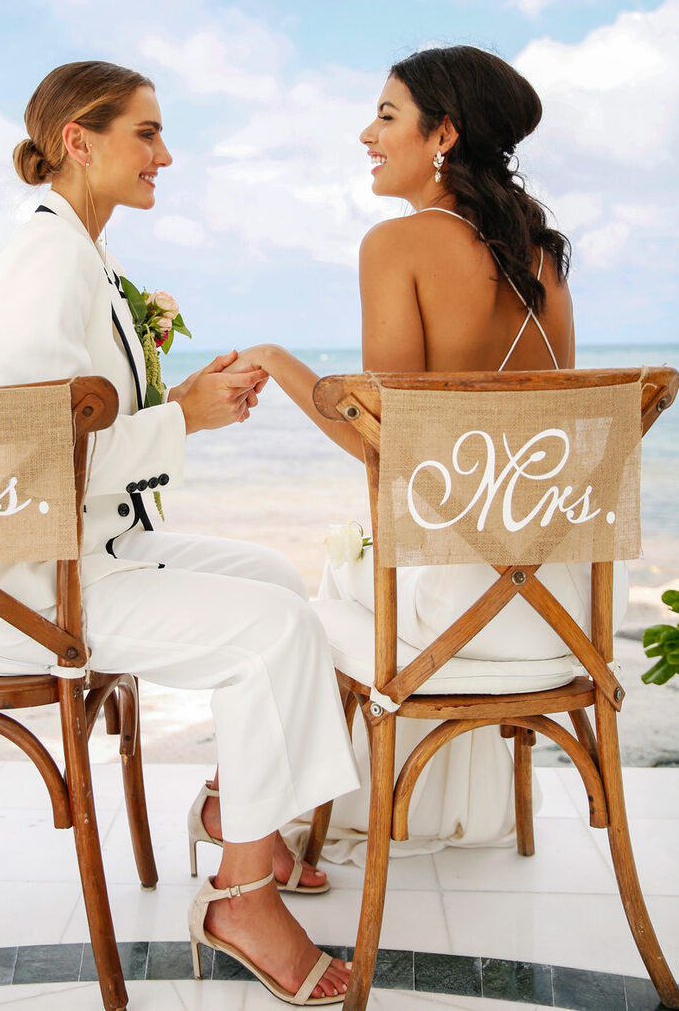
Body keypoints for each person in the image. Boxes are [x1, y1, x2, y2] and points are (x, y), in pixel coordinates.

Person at [0, 60, 359, 1005]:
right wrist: (183, 418)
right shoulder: (45, 260)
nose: (166, 154)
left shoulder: (81, 252)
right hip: (30, 583)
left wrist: (183, 408)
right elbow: (26, 458)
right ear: (78, 139)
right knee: (274, 634)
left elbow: (83, 434)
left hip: (86, 548)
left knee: (274, 580)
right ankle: (238, 897)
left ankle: (237, 812)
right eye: (146, 134)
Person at [225, 44, 629, 858]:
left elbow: (387, 454)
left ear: (441, 133)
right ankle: (373, 807)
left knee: (289, 610)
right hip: (563, 619)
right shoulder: (542, 257)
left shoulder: (398, 245)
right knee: (360, 566)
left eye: (384, 115)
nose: (365, 134)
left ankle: (264, 819)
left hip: (458, 626)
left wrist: (276, 361)